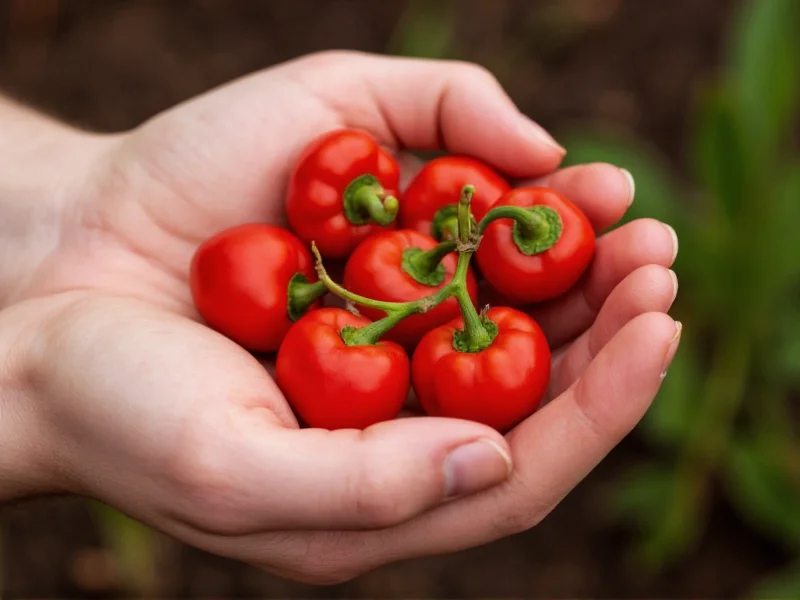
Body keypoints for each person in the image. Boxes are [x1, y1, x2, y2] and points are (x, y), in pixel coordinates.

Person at [0, 51, 680, 584]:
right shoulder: (411, 284)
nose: (388, 208)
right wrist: (37, 390)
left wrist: (69, 216)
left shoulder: (408, 284)